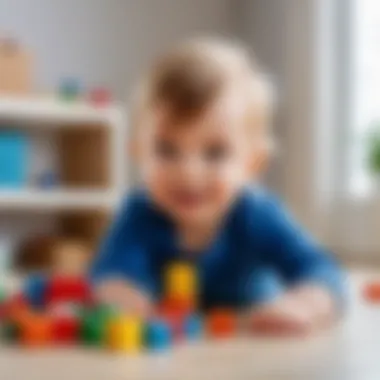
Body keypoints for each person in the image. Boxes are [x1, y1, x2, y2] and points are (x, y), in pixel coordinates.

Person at [91, 38, 345, 336]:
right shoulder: (140, 213)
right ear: (137, 152)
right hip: (175, 352)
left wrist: (307, 302)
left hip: (251, 343)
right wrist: (120, 296)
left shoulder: (257, 214)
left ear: (253, 163)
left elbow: (319, 268)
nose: (188, 173)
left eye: (215, 153)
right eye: (166, 150)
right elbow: (112, 273)